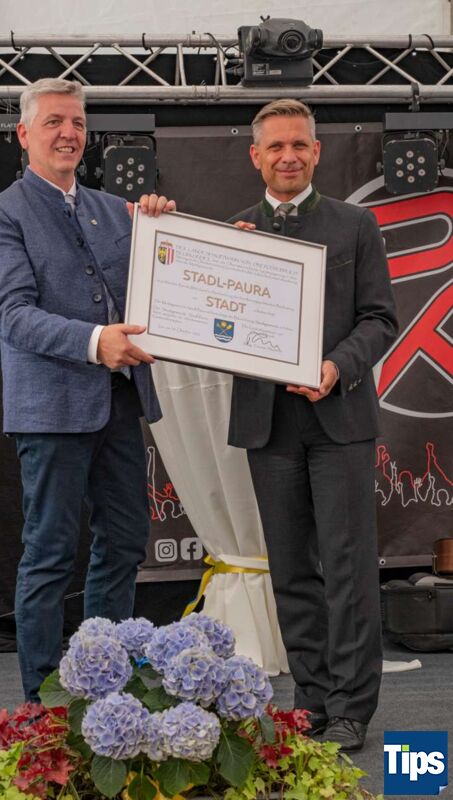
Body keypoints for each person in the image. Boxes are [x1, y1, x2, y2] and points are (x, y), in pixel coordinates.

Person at [0, 78, 175, 702]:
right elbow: (12, 315)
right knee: (51, 553)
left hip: (120, 402)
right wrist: (94, 342)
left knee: (125, 544)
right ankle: (40, 705)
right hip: (50, 410)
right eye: (55, 122)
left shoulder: (119, 211)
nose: (69, 133)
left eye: (78, 124)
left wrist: (181, 240)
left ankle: (105, 689)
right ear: (23, 133)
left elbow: (165, 286)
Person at [228, 99, 398, 751]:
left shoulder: (355, 224)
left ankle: (352, 707)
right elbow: (215, 325)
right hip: (267, 424)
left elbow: (379, 319)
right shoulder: (236, 234)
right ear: (256, 156)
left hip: (338, 418)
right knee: (292, 570)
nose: (288, 156)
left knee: (348, 569)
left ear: (317, 151)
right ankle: (312, 701)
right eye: (275, 146)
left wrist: (334, 367)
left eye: (299, 144)